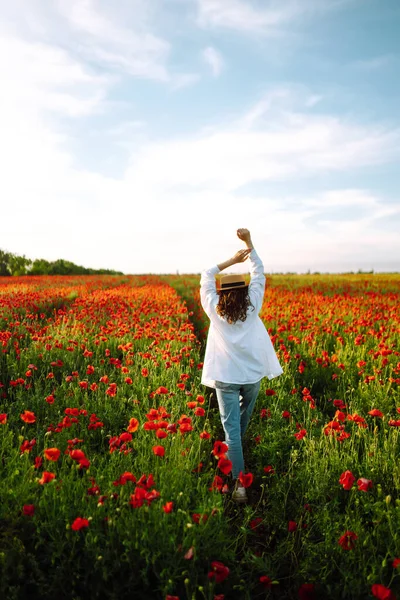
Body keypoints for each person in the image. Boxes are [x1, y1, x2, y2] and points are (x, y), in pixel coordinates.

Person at [200, 228, 283, 503]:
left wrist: (231, 261)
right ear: (245, 292)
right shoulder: (253, 306)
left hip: (225, 377)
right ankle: (234, 451)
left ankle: (239, 485)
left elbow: (206, 275)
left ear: (222, 293)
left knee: (231, 431)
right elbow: (259, 272)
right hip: (251, 376)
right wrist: (249, 244)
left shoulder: (215, 309)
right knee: (237, 425)